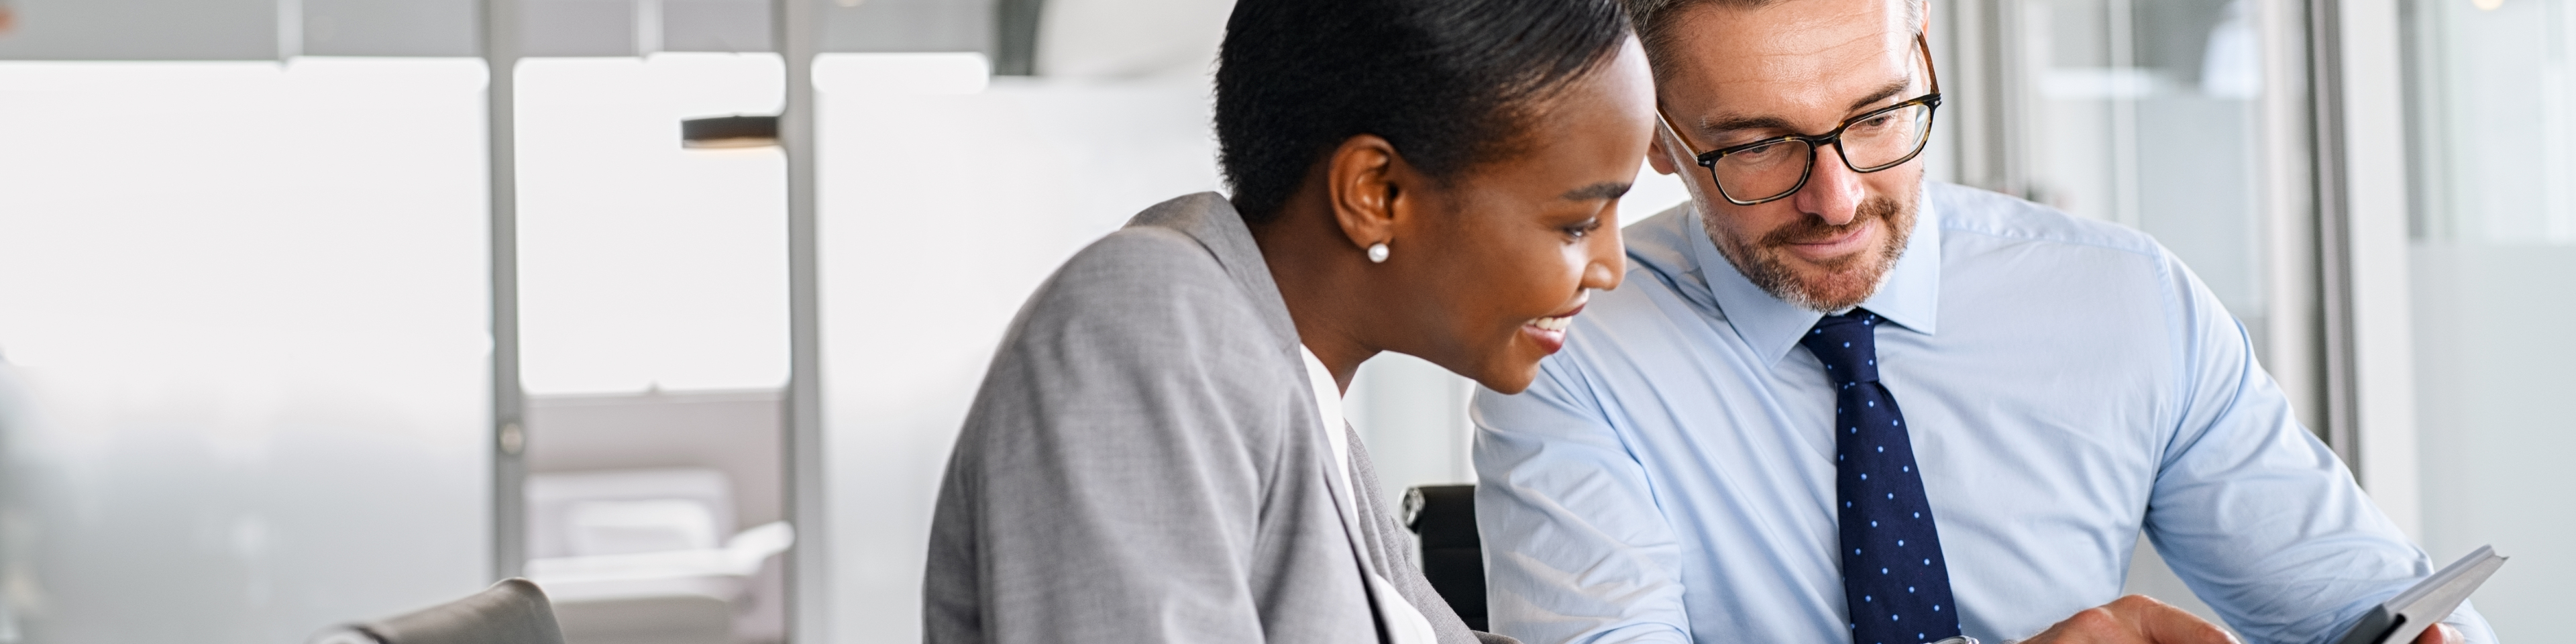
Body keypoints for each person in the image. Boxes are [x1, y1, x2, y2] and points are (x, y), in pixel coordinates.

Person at [1466, 1, 2498, 643]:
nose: (1834, 198)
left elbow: (2364, 606)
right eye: (1757, 146)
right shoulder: (1567, 347)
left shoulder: (2126, 302)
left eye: (1877, 118)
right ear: (1655, 132)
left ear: (1922, 51)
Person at [917, 0, 1655, 641]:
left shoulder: (1309, 406)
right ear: (1377, 191)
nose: (1610, 266)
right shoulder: (1147, 323)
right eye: (1577, 222)